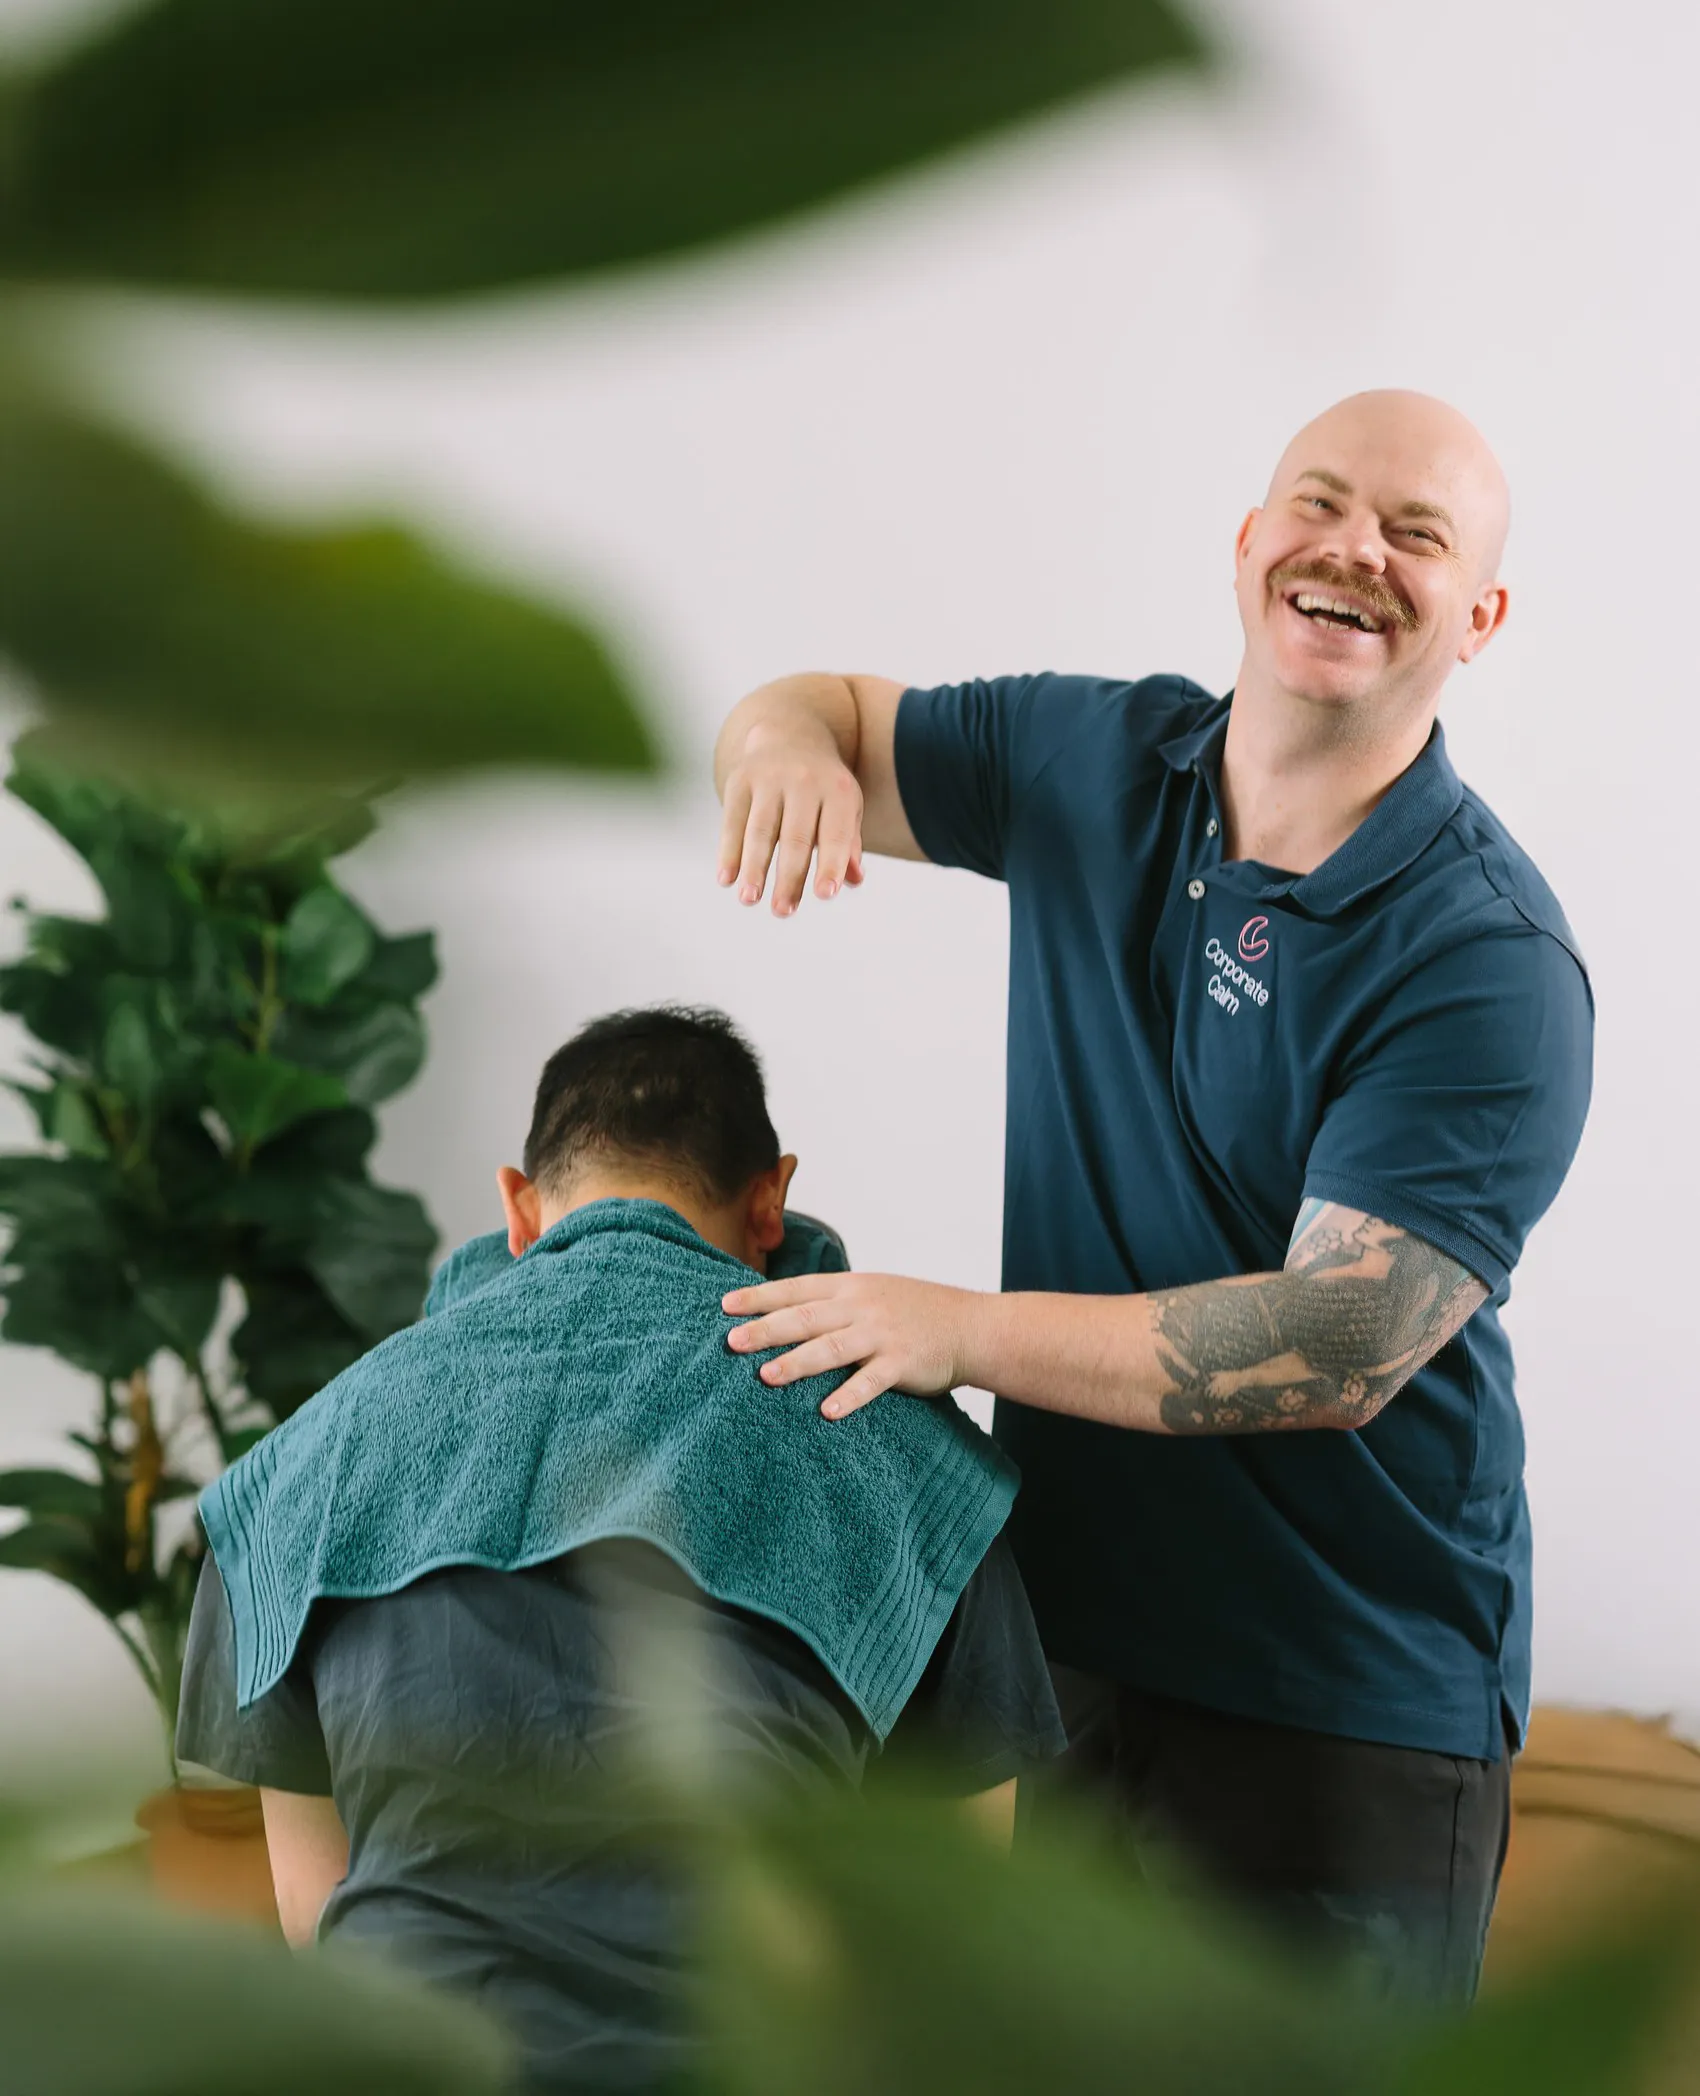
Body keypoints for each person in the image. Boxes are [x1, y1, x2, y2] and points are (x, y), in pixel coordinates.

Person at [710, 389, 1594, 2003]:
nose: (1355, 552)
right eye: (1321, 505)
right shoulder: (1091, 757)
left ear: (1482, 615)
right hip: (1081, 1655)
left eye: (1418, 534)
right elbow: (821, 703)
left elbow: (1335, 1345)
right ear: (1251, 543)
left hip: (1344, 1700)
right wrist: (784, 750)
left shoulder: (1485, 959)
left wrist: (955, 1332)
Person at [176, 1006, 1063, 2092]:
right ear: (768, 1201)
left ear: (518, 1207)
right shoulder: (913, 1466)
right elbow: (954, 1943)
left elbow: (321, 1928)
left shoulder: (304, 1467)